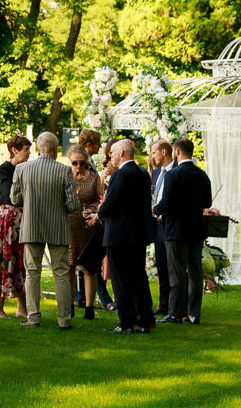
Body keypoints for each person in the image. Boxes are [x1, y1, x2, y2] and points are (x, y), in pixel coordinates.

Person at [12, 131, 80, 329]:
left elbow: (14, 199)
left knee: (32, 272)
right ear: (55, 149)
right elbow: (73, 204)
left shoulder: (22, 169)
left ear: (38, 148)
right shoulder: (64, 171)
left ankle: (33, 317)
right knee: (61, 273)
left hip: (32, 226)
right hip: (58, 226)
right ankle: (64, 319)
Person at [91, 138, 155, 333]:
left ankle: (126, 323)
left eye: (112, 153)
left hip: (119, 235)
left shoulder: (120, 175)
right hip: (138, 234)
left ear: (121, 153)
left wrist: (98, 213)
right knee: (138, 277)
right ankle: (144, 320)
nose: (110, 156)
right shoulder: (143, 173)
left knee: (120, 279)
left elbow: (111, 204)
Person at [156, 137, 213, 325]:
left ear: (177, 151)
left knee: (177, 273)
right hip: (196, 229)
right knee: (195, 272)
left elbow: (165, 203)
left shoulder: (173, 175)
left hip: (176, 229)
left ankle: (176, 313)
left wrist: (155, 209)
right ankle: (193, 313)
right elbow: (207, 202)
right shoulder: (202, 175)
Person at [0, 135, 31, 319]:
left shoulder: (25, 169)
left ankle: (22, 308)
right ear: (15, 150)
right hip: (9, 220)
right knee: (4, 260)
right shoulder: (4, 170)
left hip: (22, 220)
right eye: (26, 149)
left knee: (21, 262)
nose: (29, 153)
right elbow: (9, 194)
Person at [66, 144, 106, 320]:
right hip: (69, 226)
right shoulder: (65, 177)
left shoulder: (94, 178)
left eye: (82, 163)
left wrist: (91, 209)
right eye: (75, 163)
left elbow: (100, 200)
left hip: (88, 227)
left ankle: (89, 308)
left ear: (87, 163)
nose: (78, 166)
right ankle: (70, 306)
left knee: (89, 268)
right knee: (69, 266)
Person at [147, 138, 175, 314]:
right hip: (157, 226)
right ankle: (163, 303)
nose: (152, 156)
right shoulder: (157, 173)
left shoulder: (177, 171)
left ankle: (175, 304)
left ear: (163, 152)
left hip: (171, 224)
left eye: (154, 152)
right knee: (162, 266)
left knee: (173, 266)